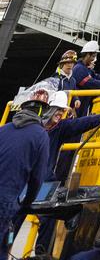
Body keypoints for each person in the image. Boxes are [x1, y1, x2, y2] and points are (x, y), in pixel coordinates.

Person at [31, 93, 100, 255]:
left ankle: (41, 251)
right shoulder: (34, 129)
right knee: (16, 217)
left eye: (62, 111)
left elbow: (79, 124)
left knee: (47, 216)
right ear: (49, 110)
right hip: (26, 178)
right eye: (58, 110)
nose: (61, 114)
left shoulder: (59, 128)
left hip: (44, 180)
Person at [0, 88, 54, 260]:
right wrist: (28, 203)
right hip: (6, 201)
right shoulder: (40, 136)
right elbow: (37, 177)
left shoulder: (3, 129)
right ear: (42, 113)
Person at [71, 43, 100, 117]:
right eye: (93, 56)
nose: (94, 59)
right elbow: (90, 83)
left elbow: (96, 77)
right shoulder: (78, 69)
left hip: (83, 106)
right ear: (87, 55)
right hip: (77, 108)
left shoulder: (86, 69)